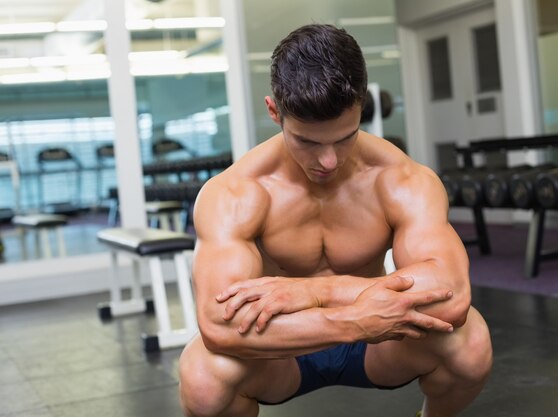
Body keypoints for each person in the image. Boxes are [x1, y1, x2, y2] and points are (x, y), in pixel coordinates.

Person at [179, 24, 492, 417]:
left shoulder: (401, 179)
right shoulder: (236, 193)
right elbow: (218, 327)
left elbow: (452, 297)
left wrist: (313, 294)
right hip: (284, 348)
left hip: (381, 340)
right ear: (274, 111)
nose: (328, 161)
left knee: (471, 343)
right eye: (308, 142)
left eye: (346, 137)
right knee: (203, 379)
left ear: (361, 106)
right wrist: (353, 320)